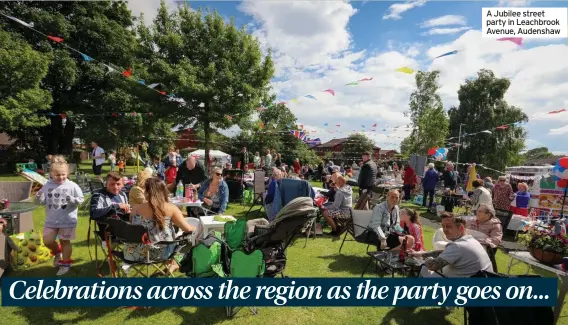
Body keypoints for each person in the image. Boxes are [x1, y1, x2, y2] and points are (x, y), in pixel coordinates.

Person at [125, 178, 196, 271]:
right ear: (163, 192)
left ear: (146, 192)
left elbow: (132, 228)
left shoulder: (135, 208)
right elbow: (188, 229)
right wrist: (195, 228)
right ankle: (174, 263)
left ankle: (173, 263)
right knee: (179, 236)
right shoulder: (171, 208)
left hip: (133, 254)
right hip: (160, 254)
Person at [35, 157, 85, 275]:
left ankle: (65, 263)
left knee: (65, 242)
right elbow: (41, 202)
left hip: (67, 220)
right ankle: (58, 253)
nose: (61, 177)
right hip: (51, 220)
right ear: (51, 173)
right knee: (47, 241)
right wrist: (38, 197)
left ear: (67, 173)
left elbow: (81, 200)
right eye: (57, 175)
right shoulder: (47, 185)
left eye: (63, 174)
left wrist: (72, 199)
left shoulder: (72, 186)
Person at [410, 212, 492, 278]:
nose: (444, 230)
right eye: (443, 226)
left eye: (448, 226)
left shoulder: (458, 246)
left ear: (461, 228)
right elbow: (445, 252)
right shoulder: (470, 240)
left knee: (424, 268)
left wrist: (424, 259)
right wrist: (421, 254)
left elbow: (433, 266)